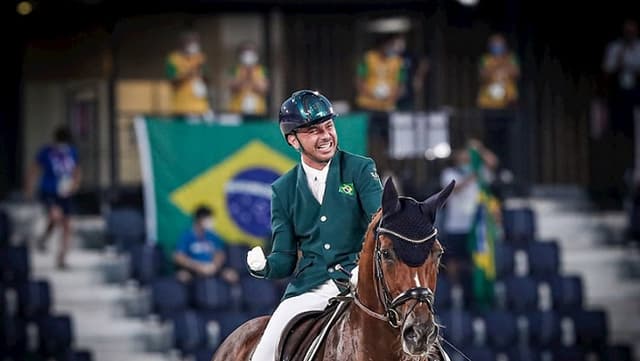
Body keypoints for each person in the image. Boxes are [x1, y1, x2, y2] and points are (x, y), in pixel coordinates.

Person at [246, 90, 383, 361]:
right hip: (312, 288)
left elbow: (381, 222)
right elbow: (284, 259)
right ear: (293, 140)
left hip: (363, 283)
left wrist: (363, 268)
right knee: (265, 349)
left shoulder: (360, 169)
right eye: (312, 130)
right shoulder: (282, 190)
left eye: (328, 126)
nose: (325, 136)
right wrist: (263, 267)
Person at [439, 139, 497, 282]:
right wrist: (472, 176)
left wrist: (480, 150)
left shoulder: (479, 172)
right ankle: (455, 289)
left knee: (474, 261)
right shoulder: (449, 173)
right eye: (463, 154)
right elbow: (455, 189)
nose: (466, 157)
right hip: (455, 226)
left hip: (474, 227)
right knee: (453, 260)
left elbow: (493, 163)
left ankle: (472, 290)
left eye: (468, 154)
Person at [25, 126, 82, 269]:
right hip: (49, 191)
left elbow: (77, 170)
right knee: (55, 217)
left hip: (65, 192)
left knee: (67, 226)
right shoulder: (46, 152)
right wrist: (29, 189)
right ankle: (44, 238)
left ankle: (61, 258)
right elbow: (34, 169)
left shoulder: (72, 152)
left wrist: (75, 185)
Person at [602, 19, 640, 203]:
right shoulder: (615, 48)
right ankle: (617, 185)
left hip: (636, 97)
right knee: (619, 141)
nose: (629, 34)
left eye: (632, 31)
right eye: (627, 31)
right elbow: (607, 72)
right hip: (619, 98)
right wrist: (621, 58)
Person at [476, 33, 520, 178]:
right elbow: (483, 74)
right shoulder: (485, 59)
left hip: (506, 105)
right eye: (494, 45)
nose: (497, 48)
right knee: (490, 139)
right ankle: (490, 170)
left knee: (506, 140)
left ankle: (505, 170)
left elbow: (515, 72)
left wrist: (502, 63)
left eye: (500, 44)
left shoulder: (511, 57)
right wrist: (498, 65)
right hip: (489, 105)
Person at [173, 205, 239, 284]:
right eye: (208, 219)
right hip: (193, 270)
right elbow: (179, 257)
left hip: (212, 268)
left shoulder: (212, 236)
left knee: (231, 275)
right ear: (199, 220)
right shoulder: (186, 236)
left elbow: (219, 253)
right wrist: (199, 267)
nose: (211, 222)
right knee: (182, 276)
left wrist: (214, 266)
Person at [165, 30, 213, 123]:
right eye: (190, 42)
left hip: (201, 107)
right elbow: (173, 82)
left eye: (196, 42)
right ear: (182, 43)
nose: (194, 44)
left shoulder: (201, 57)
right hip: (181, 108)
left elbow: (208, 79)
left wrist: (201, 70)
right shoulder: (173, 58)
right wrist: (189, 73)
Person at [227, 41, 269, 119]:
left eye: (251, 51)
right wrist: (244, 75)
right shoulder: (235, 70)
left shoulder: (262, 70)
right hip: (237, 110)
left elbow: (263, 89)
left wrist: (251, 75)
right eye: (245, 51)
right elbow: (233, 88)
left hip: (258, 111)